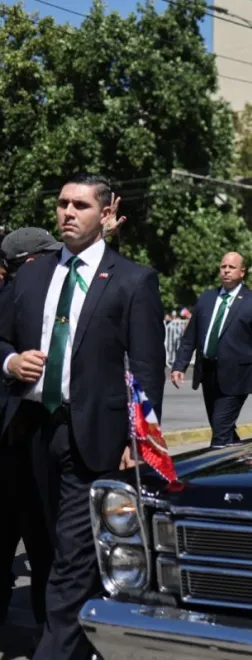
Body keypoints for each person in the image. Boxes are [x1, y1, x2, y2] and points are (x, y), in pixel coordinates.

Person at [0, 174, 166, 660]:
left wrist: (139, 441)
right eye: (62, 204)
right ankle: (77, 642)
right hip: (31, 431)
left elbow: (148, 372)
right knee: (48, 551)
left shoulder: (133, 280)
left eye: (80, 205)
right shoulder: (32, 275)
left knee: (73, 559)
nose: (68, 213)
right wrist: (11, 363)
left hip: (93, 435)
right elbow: (3, 340)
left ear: (105, 214)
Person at [0, 227, 63, 645]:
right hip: (9, 447)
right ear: (27, 264)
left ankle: (49, 635)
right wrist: (9, 363)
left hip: (42, 448)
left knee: (47, 548)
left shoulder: (58, 299)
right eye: (48, 258)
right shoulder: (11, 300)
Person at [171, 252, 252, 447]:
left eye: (232, 267)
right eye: (223, 267)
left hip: (237, 376)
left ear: (242, 272)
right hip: (208, 373)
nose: (227, 270)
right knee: (220, 426)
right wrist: (180, 365)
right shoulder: (207, 298)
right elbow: (191, 336)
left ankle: (214, 472)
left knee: (220, 430)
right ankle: (238, 464)